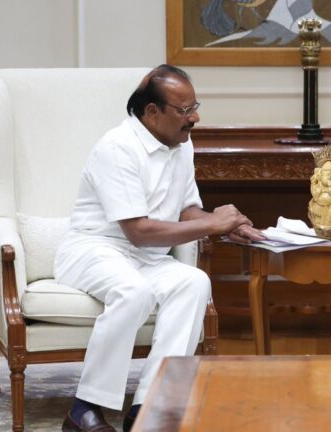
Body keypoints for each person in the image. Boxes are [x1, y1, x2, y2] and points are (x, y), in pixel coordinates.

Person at [55, 65, 264, 432]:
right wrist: (212, 224)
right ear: (152, 112)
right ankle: (83, 409)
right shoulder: (117, 148)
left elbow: (186, 210)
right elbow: (138, 230)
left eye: (195, 107)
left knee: (194, 282)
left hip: (146, 257)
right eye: (185, 110)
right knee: (133, 291)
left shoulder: (181, 144)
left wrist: (230, 225)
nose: (194, 118)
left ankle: (151, 405)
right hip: (95, 249)